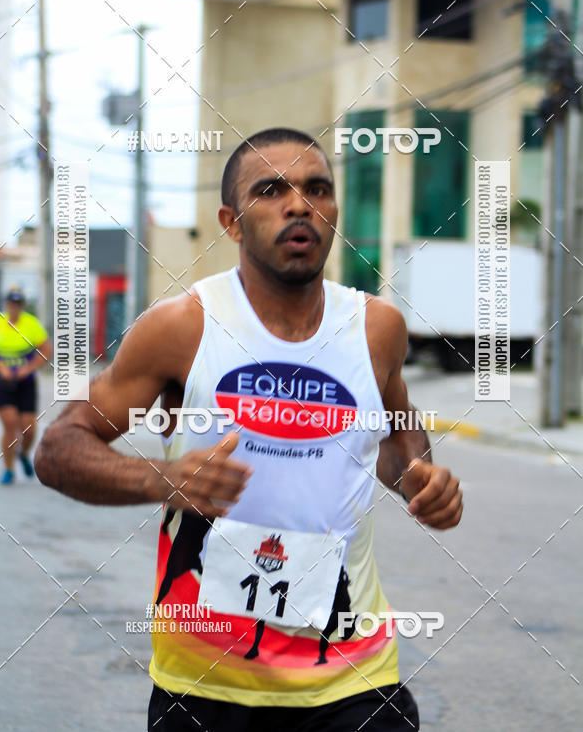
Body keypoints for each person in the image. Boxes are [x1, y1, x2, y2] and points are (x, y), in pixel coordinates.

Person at [35, 128, 463, 731]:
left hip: (354, 679)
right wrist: (166, 479)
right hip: (206, 684)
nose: (300, 205)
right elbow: (59, 448)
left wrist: (419, 476)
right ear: (231, 223)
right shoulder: (182, 327)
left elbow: (395, 432)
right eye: (271, 191)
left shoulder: (377, 328)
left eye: (318, 189)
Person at [0, 287, 52, 484]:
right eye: (11, 304)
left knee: (29, 429)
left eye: (18, 304)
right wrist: (0, 367)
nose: (14, 308)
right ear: (6, 305)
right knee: (10, 424)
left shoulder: (31, 323)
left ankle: (23, 454)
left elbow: (46, 351)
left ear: (22, 306)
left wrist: (29, 368)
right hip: (2, 381)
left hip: (26, 382)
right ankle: (9, 468)